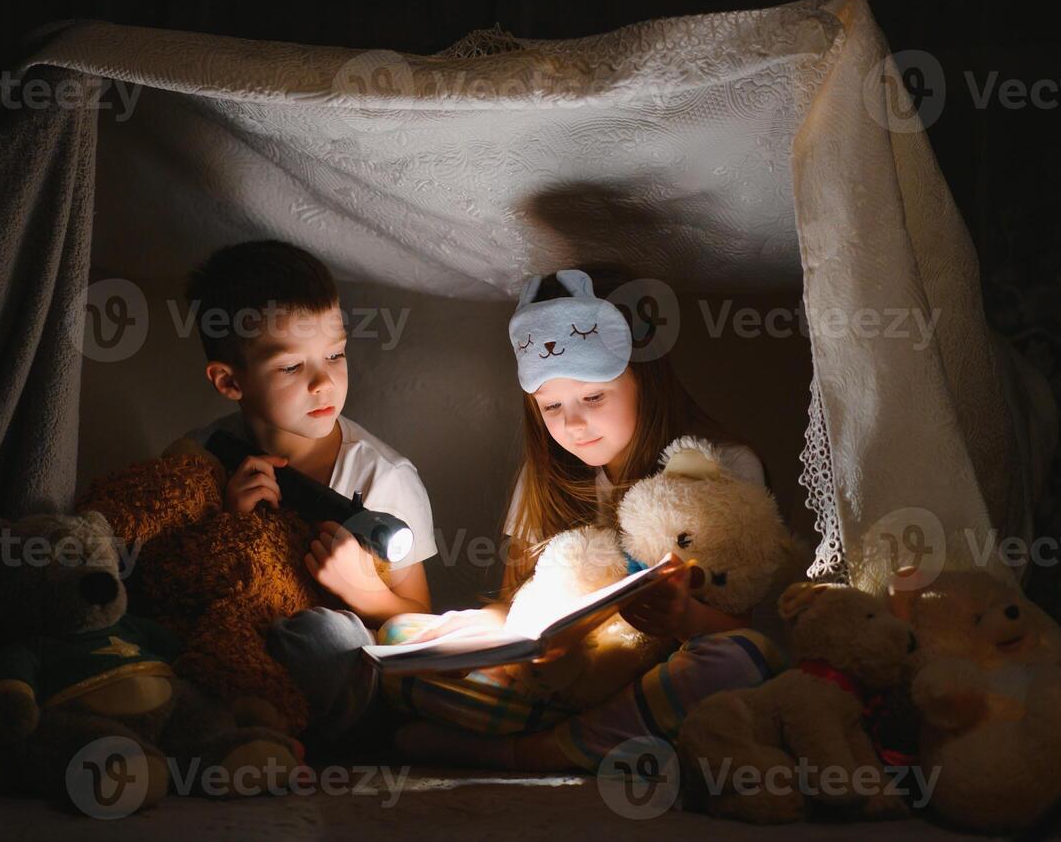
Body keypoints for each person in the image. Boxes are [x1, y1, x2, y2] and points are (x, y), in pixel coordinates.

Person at [378, 265, 779, 771]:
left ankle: (531, 753)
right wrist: (473, 625)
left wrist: (685, 619)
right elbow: (514, 604)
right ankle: (587, 738)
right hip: (561, 680)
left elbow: (733, 624)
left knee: (742, 659)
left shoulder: (723, 466)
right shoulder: (543, 477)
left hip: (655, 677)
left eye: (594, 397)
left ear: (644, 379)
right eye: (550, 407)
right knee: (400, 637)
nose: (573, 424)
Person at [174, 239, 437, 742]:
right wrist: (227, 521)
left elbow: (422, 620)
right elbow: (177, 580)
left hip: (331, 680)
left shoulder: (383, 477)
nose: (324, 383)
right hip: (233, 654)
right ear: (230, 382)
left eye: (335, 354)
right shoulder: (201, 459)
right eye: (292, 366)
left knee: (324, 638)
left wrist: (365, 592)